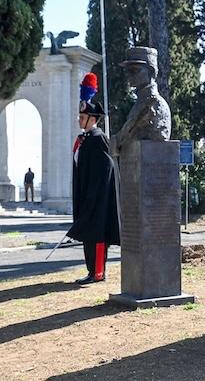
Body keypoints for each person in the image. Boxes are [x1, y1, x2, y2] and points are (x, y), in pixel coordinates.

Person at [67, 73, 120, 285]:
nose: (79, 120)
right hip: (85, 195)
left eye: (82, 117)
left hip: (97, 197)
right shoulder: (84, 138)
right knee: (88, 234)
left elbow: (107, 168)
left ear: (92, 119)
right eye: (79, 116)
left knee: (97, 234)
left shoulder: (99, 139)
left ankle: (98, 273)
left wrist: (94, 195)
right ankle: (91, 270)